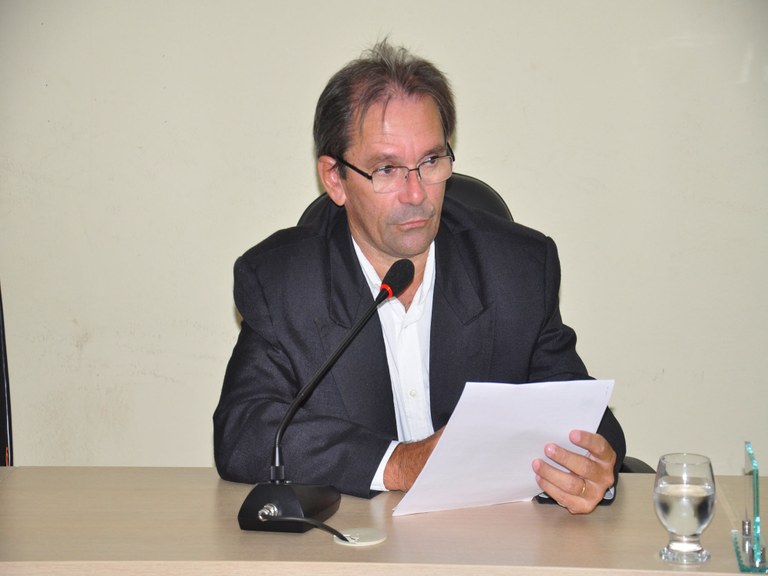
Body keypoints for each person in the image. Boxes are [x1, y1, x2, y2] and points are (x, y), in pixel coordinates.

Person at [213, 40, 625, 514]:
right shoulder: (282, 281)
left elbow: (583, 414)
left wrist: (595, 465)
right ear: (334, 179)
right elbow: (245, 431)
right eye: (387, 169)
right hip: (353, 541)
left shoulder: (517, 270)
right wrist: (399, 464)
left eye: (430, 161)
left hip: (491, 538)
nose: (416, 194)